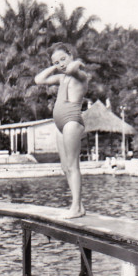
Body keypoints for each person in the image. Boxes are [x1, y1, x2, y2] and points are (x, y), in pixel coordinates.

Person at [35, 43, 88, 219]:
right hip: (59, 124)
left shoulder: (80, 75)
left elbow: (72, 68)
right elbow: (39, 80)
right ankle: (78, 206)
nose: (61, 64)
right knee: (65, 167)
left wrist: (77, 62)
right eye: (57, 61)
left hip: (72, 121)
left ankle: (75, 207)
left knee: (73, 165)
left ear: (71, 55)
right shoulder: (61, 78)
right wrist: (54, 65)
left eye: (63, 59)